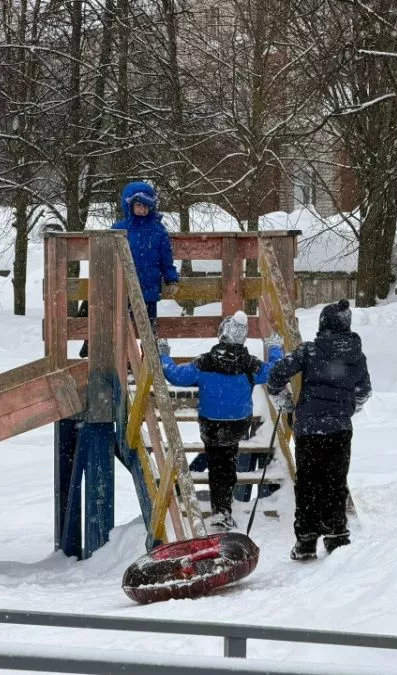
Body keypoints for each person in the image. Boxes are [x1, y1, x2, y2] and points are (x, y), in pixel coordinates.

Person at [155, 311, 284, 531]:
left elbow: (176, 375)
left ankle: (220, 508)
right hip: (237, 424)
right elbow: (274, 371)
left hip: (211, 424)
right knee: (227, 461)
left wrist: (164, 355)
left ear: (221, 335)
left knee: (217, 463)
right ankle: (223, 507)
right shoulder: (249, 365)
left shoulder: (205, 362)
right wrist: (274, 349)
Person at [266, 299, 371, 561]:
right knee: (335, 481)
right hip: (339, 429)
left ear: (324, 323)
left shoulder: (309, 351)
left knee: (308, 483)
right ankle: (336, 535)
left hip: (310, 429)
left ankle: (306, 541)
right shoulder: (356, 356)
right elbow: (364, 391)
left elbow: (277, 374)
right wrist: (349, 407)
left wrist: (284, 400)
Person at [111, 181, 179, 334]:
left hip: (149, 288)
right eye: (139, 205)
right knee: (122, 331)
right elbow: (109, 258)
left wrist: (171, 278)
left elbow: (166, 257)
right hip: (124, 288)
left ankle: (149, 357)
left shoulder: (158, 229)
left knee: (148, 331)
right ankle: (126, 358)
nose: (143, 210)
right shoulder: (119, 228)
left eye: (146, 206)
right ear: (130, 205)